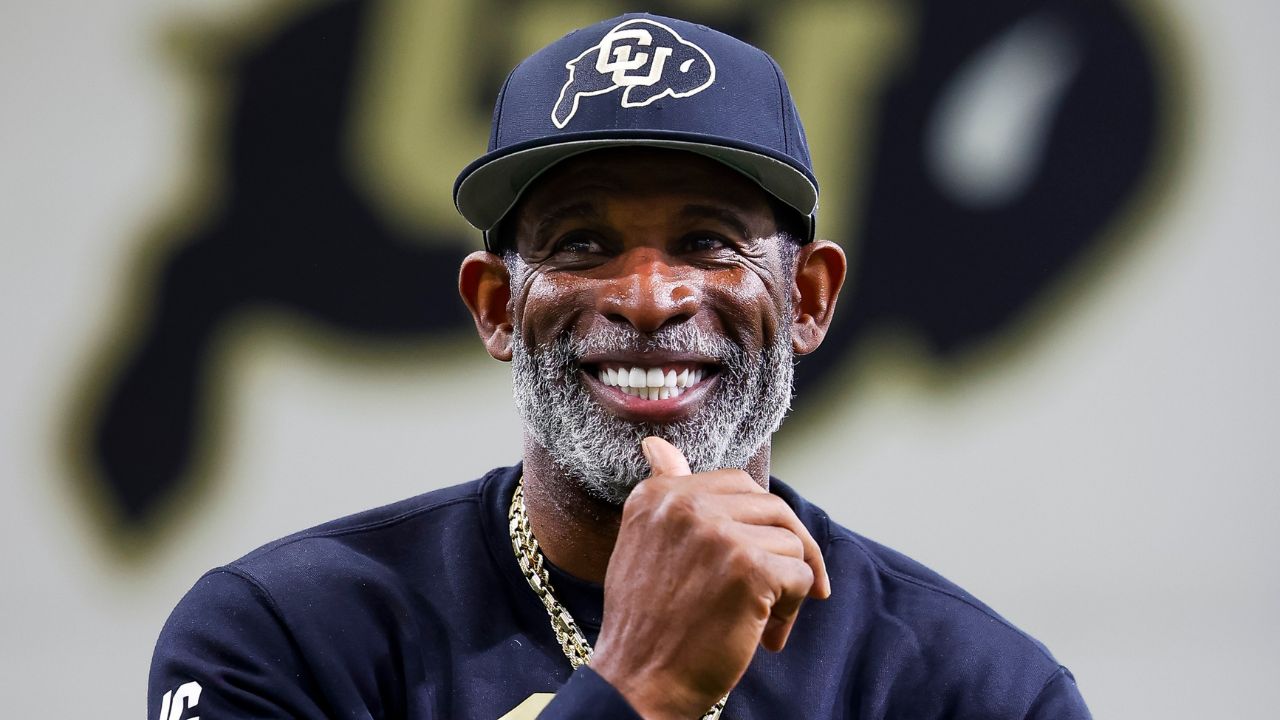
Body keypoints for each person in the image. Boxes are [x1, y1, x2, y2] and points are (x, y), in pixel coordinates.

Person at [149, 13, 1092, 720]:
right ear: (495, 307)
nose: (648, 298)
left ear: (806, 299)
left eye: (711, 241)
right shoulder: (283, 639)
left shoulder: (976, 690)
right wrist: (637, 686)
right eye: (584, 242)